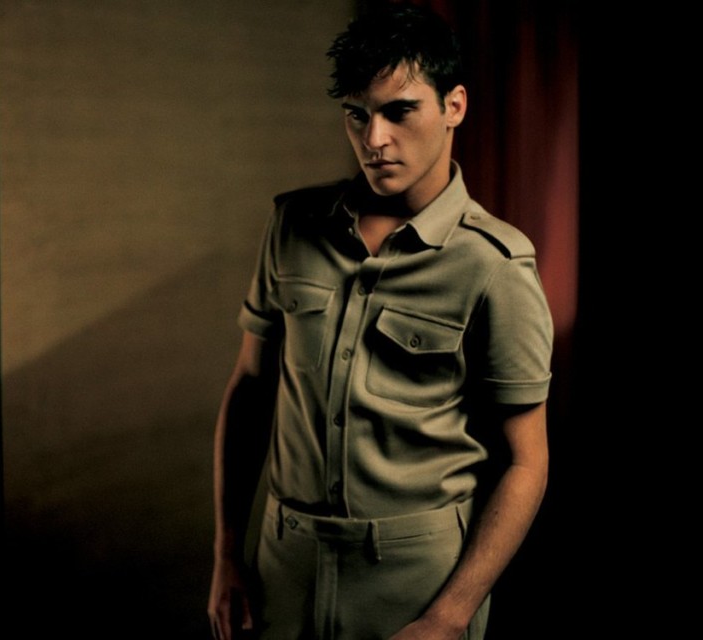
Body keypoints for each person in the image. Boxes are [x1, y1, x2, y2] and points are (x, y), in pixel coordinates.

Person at [207, 3, 553, 639]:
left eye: (400, 112)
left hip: (417, 586)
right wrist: (227, 554)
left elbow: (526, 463)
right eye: (358, 115)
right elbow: (251, 389)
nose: (374, 140)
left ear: (454, 106)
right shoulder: (292, 225)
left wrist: (449, 616)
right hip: (284, 570)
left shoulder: (495, 265)